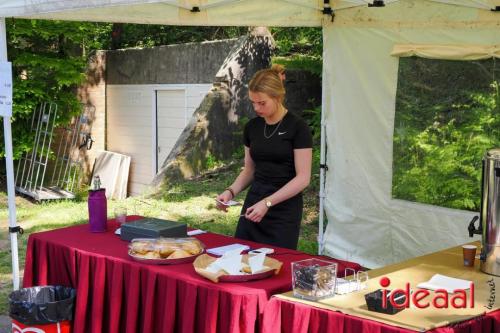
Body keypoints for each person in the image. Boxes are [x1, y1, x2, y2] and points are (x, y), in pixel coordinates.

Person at [216, 67, 312, 250]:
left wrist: (268, 202)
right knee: (242, 260)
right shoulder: (252, 127)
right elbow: (249, 170)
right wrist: (230, 192)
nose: (256, 108)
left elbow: (303, 178)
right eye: (253, 102)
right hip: (254, 205)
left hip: (284, 209)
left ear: (277, 97)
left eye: (262, 103)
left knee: (276, 265)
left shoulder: (298, 127)